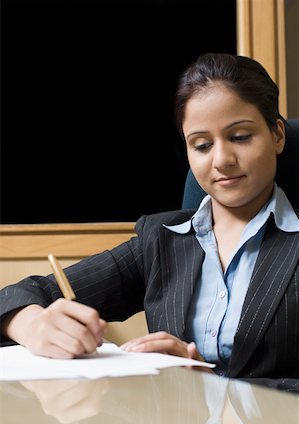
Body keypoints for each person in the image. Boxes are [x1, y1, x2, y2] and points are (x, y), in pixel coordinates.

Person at [1, 53, 298, 390]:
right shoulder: (160, 240)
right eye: (201, 145)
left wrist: (216, 389)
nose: (222, 160)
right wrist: (32, 325)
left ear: (277, 135)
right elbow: (19, 295)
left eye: (240, 137)